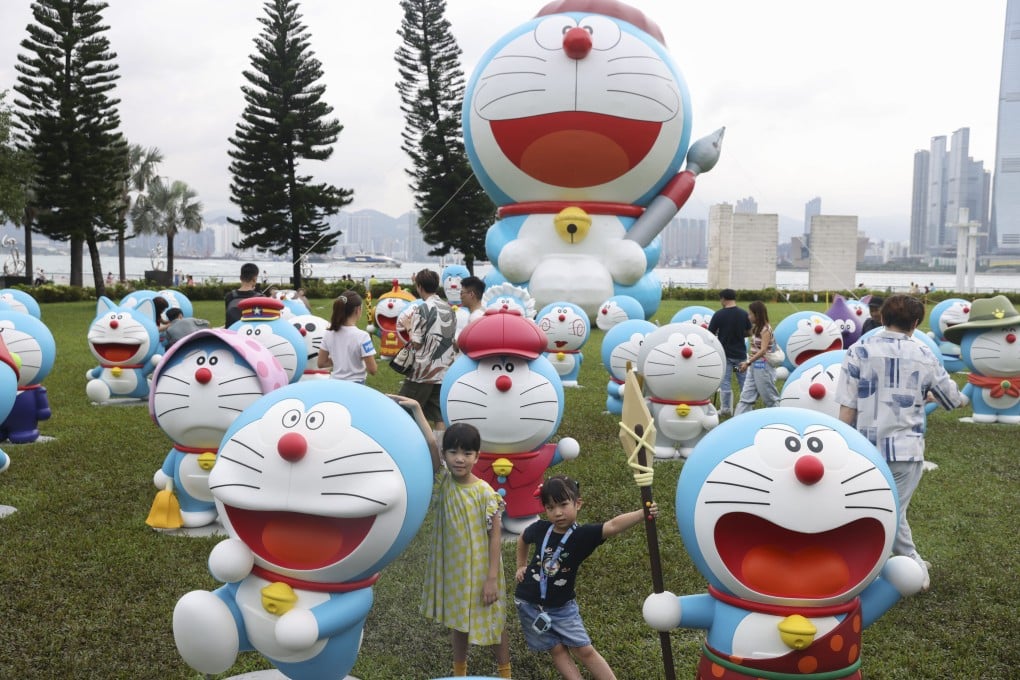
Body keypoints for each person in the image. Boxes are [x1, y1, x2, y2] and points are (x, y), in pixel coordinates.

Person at [835, 294, 967, 592]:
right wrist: (940, 395)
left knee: (879, 509)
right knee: (893, 511)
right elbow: (951, 398)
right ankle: (911, 562)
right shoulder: (924, 354)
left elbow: (847, 407)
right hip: (906, 450)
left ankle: (892, 559)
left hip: (865, 447)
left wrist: (840, 446)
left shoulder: (858, 350)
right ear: (916, 323)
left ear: (882, 318)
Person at [514, 475, 658, 680]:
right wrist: (521, 564)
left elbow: (614, 525)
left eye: (563, 505)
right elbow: (523, 538)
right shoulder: (540, 529)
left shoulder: (582, 535)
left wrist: (642, 513)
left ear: (578, 503)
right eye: (550, 507)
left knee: (584, 650)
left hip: (562, 608)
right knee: (556, 649)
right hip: (529, 603)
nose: (557, 513)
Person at [421, 423, 512, 679]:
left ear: (477, 456)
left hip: (483, 571)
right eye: (453, 452)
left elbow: (495, 537)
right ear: (446, 454)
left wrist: (491, 579)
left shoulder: (485, 492)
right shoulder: (444, 481)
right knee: (459, 621)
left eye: (467, 453)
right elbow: (431, 446)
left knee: (495, 622)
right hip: (456, 570)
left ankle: (506, 673)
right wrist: (418, 408)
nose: (459, 459)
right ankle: (459, 672)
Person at [398, 268, 457, 429]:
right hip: (444, 370)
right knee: (439, 416)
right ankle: (439, 449)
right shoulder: (449, 309)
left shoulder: (421, 309)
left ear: (419, 287)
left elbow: (416, 342)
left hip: (422, 372)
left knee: (404, 409)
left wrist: (408, 326)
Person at [316, 291, 377, 383]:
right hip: (356, 385)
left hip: (335, 383)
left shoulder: (328, 334)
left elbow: (321, 363)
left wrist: (339, 359)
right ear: (358, 310)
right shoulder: (363, 336)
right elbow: (373, 370)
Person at [707, 288, 750, 415]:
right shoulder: (743, 314)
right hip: (740, 356)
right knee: (743, 380)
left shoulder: (719, 315)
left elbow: (710, 333)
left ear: (723, 299)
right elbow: (749, 331)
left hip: (725, 356)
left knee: (725, 380)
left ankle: (726, 408)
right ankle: (745, 407)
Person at [734, 300, 780, 415]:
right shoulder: (756, 329)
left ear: (757, 314)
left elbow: (763, 350)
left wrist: (748, 362)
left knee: (769, 397)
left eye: (750, 314)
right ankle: (738, 420)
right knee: (746, 396)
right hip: (754, 365)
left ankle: (778, 417)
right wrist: (749, 363)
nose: (748, 317)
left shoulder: (766, 330)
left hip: (763, 366)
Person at [224, 262, 260, 326]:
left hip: (232, 334)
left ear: (240, 278)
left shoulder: (229, 296)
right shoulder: (261, 298)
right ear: (255, 279)